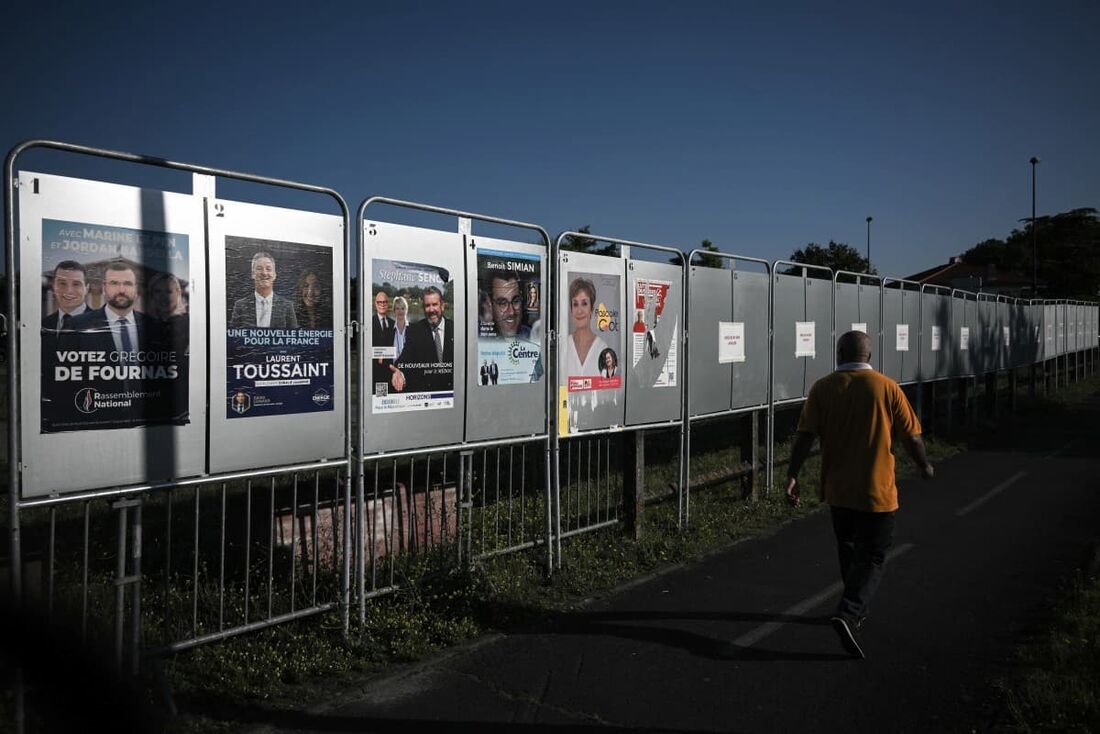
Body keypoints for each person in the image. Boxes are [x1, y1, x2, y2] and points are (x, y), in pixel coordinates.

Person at [785, 330, 934, 659]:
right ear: (868, 355)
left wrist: (792, 474)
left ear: (839, 352)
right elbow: (911, 436)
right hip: (877, 490)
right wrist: (923, 465)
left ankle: (852, 611)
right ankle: (849, 612)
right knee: (875, 555)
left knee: (850, 550)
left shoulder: (822, 388)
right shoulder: (886, 387)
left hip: (839, 490)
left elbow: (804, 436)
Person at [71, 261, 164, 356]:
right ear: (104, 288)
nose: (121, 290)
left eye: (128, 283)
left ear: (136, 289)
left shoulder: (155, 327)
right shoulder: (77, 326)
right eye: (114, 283)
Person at [388, 286, 453, 393]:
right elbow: (404, 360)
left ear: (442, 306)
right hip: (427, 396)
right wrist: (400, 373)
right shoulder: (415, 331)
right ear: (423, 308)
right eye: (427, 306)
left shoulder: (455, 329)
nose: (431, 310)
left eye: (435, 304)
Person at [230, 252, 298, 328]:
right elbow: (234, 338)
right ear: (253, 274)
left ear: (275, 275)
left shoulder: (287, 306)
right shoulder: (240, 306)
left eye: (268, 269)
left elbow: (293, 337)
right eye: (259, 268)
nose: (264, 273)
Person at [564, 277, 608, 377]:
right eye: (575, 304)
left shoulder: (602, 349)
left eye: (584, 304)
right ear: (571, 310)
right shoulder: (563, 346)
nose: (579, 311)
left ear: (591, 309)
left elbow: (607, 390)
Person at [147, 271, 189, 355]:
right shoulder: (144, 325)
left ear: (178, 293)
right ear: (152, 295)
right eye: (158, 291)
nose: (163, 297)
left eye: (168, 291)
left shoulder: (189, 323)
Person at [42, 260, 88, 332]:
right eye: (62, 283)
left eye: (76, 284)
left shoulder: (101, 323)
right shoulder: (44, 325)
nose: (68, 291)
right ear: (54, 286)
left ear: (86, 289)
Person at [487, 272, 532, 339]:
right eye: (502, 303)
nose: (511, 312)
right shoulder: (481, 339)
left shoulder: (533, 336)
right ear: (490, 304)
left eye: (516, 301)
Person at [371, 291, 395, 391]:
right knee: (378, 397)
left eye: (385, 302)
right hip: (374, 370)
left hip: (390, 369)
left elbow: (396, 347)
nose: (382, 304)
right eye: (379, 302)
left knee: (389, 398)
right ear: (375, 304)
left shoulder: (393, 323)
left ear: (388, 304)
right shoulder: (369, 322)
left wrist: (383, 355)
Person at [391, 295, 409, 360]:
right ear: (394, 311)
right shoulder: (389, 330)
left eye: (402, 308)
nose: (400, 311)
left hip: (409, 368)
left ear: (406, 310)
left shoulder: (414, 329)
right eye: (397, 308)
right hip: (393, 368)